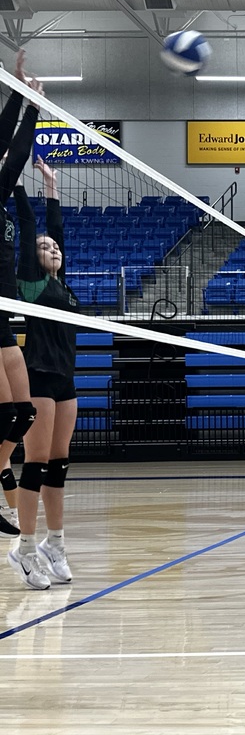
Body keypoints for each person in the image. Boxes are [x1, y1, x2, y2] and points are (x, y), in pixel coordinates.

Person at [8, 155, 78, 590]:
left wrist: (53, 184)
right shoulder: (31, 284)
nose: (52, 248)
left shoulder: (63, 286)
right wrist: (18, 183)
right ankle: (26, 548)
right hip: (38, 375)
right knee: (35, 462)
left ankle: (55, 541)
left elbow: (57, 228)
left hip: (65, 378)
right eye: (44, 247)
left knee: (59, 464)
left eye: (55, 247)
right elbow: (35, 225)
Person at [0, 50, 39, 540]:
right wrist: (16, 90)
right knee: (10, 411)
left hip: (4, 311)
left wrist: (32, 105)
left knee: (22, 413)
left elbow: (17, 154)